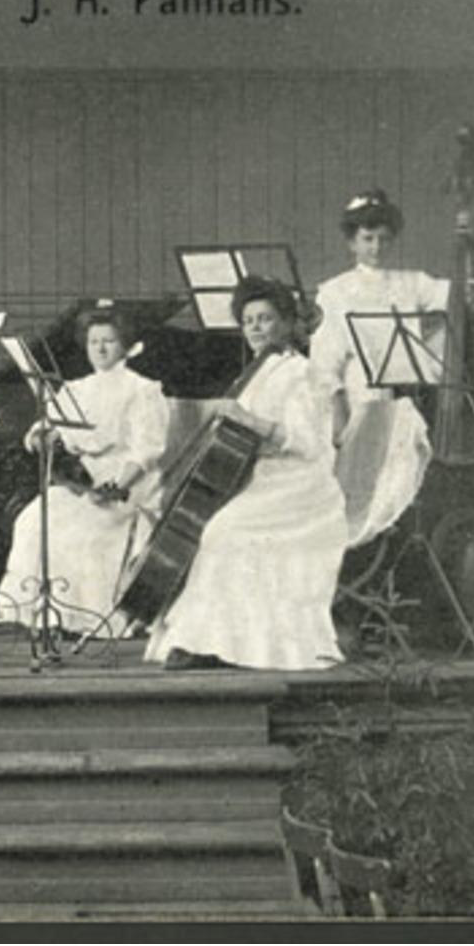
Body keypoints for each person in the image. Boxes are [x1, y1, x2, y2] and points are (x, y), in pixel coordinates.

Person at [143, 277, 348, 671]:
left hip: (302, 484)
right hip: (264, 479)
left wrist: (248, 419)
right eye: (248, 319)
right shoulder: (258, 371)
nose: (254, 327)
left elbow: (309, 443)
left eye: (266, 318)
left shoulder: (302, 373)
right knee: (214, 527)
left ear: (287, 324)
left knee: (226, 531)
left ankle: (221, 643)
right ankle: (204, 638)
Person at [0, 308, 169, 637]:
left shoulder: (143, 389)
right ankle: (45, 616)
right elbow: (42, 429)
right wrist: (40, 437)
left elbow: (147, 450)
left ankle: (85, 618)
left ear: (126, 346)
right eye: (93, 342)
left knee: (85, 535)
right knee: (33, 521)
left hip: (130, 491)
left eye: (109, 341)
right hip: (86, 488)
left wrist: (117, 485)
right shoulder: (75, 388)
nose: (100, 349)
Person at [310, 189, 449, 548]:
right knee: (364, 476)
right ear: (351, 243)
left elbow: (456, 296)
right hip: (360, 390)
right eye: (367, 239)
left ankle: (399, 534)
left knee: (403, 468)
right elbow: (325, 361)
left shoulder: (410, 282)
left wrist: (469, 256)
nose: (375, 247)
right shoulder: (335, 291)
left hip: (407, 389)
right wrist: (337, 411)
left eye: (383, 240)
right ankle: (365, 539)